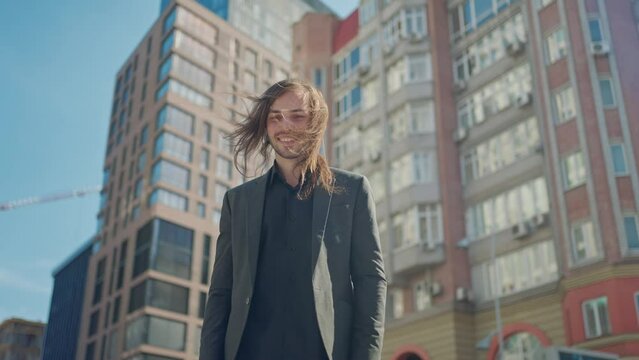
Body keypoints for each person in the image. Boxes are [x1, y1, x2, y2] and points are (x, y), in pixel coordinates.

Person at [199, 79, 386, 360]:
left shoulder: (353, 191)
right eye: (275, 117)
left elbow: (370, 281)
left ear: (316, 122)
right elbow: (221, 293)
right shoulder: (237, 202)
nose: (285, 126)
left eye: (297, 116)